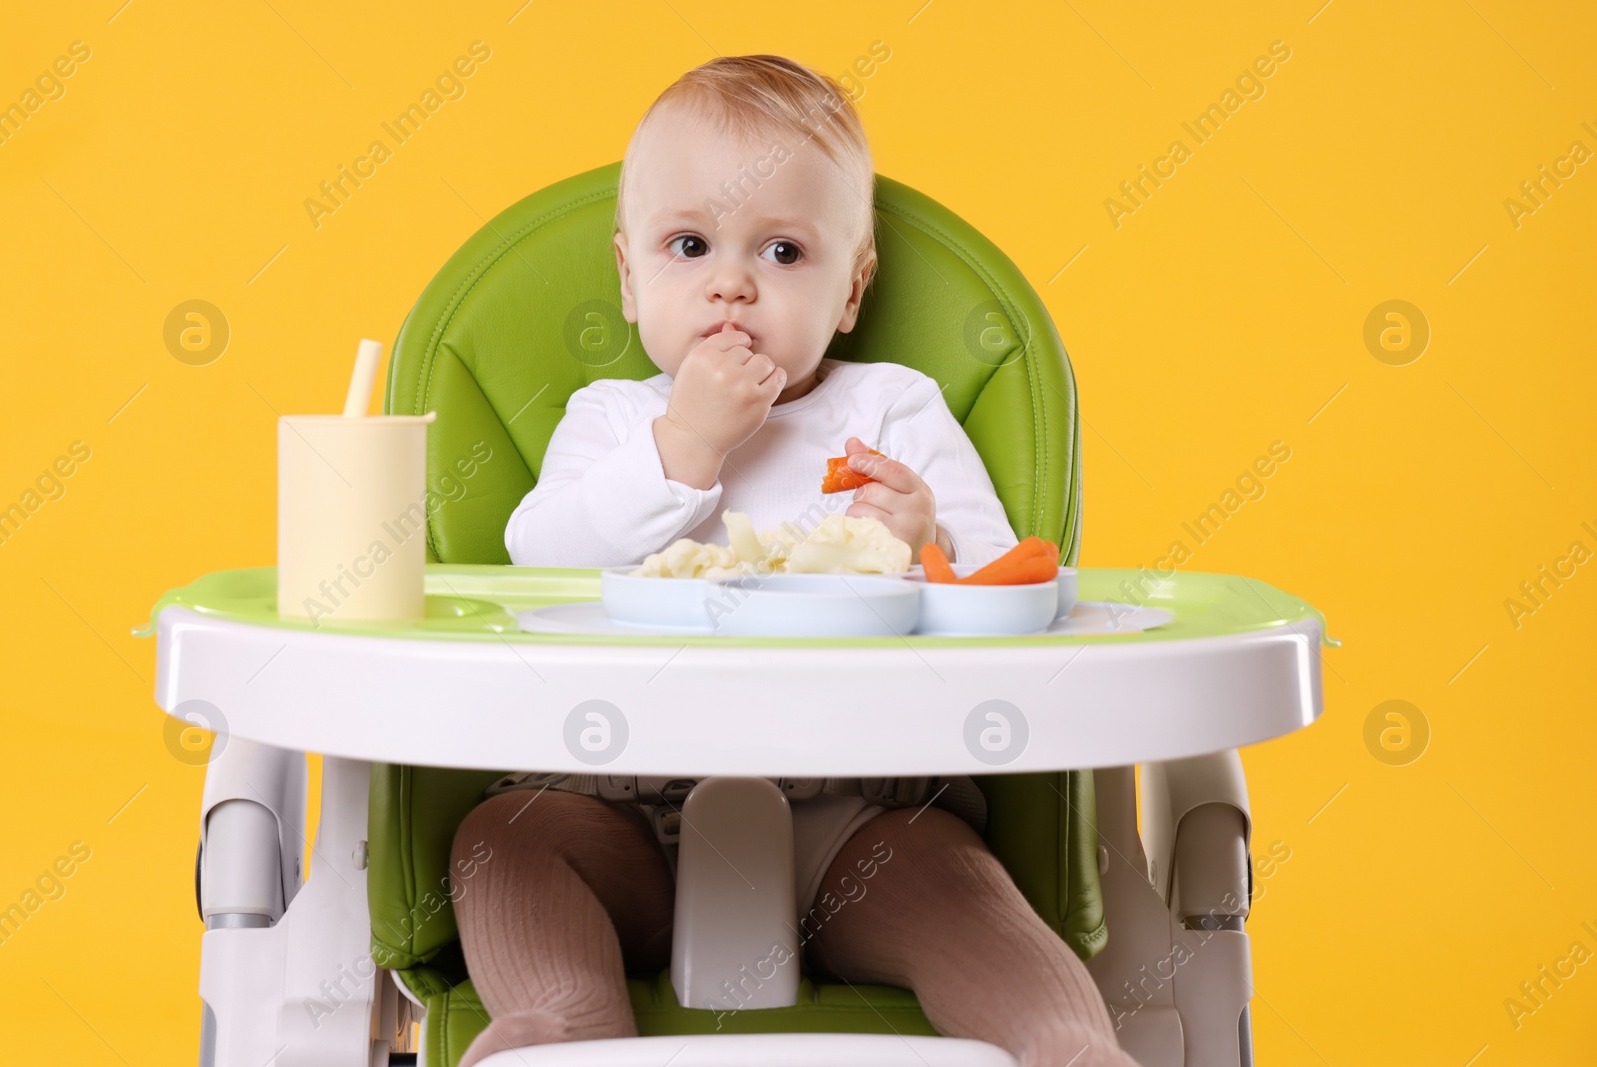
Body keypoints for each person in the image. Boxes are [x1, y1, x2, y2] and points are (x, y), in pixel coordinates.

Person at [450, 54, 1142, 1067]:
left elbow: (1011, 592)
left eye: (782, 250)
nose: (730, 281)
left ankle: (1066, 1045)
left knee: (962, 886)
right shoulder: (615, 420)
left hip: (856, 814)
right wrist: (684, 448)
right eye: (689, 245)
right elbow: (539, 559)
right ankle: (556, 1028)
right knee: (502, 839)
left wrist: (926, 545)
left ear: (851, 290)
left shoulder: (889, 410)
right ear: (630, 277)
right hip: (615, 805)